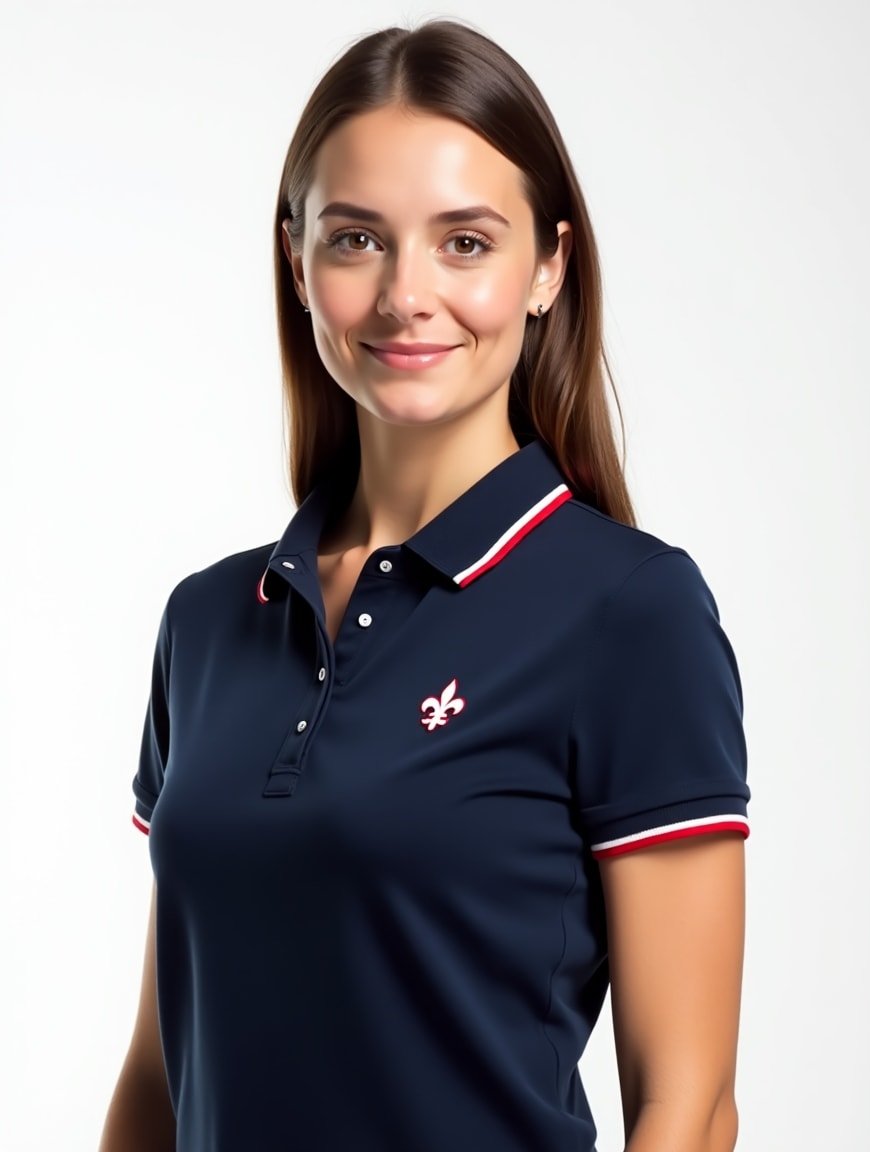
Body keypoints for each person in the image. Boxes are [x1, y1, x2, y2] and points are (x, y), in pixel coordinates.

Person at [99, 18, 750, 1152]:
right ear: (295, 259)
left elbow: (683, 1106)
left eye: (463, 242)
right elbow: (162, 1070)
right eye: (356, 240)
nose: (407, 294)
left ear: (545, 265)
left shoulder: (629, 617)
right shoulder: (206, 622)